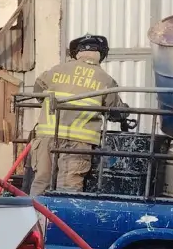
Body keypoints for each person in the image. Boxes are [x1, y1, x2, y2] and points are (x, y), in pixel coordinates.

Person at [29, 35, 127, 196]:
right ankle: (61, 221)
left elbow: (38, 92)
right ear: (101, 55)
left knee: (41, 182)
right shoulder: (105, 79)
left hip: (47, 137)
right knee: (68, 188)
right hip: (78, 143)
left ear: (77, 53)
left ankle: (34, 219)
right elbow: (115, 110)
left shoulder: (56, 70)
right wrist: (124, 113)